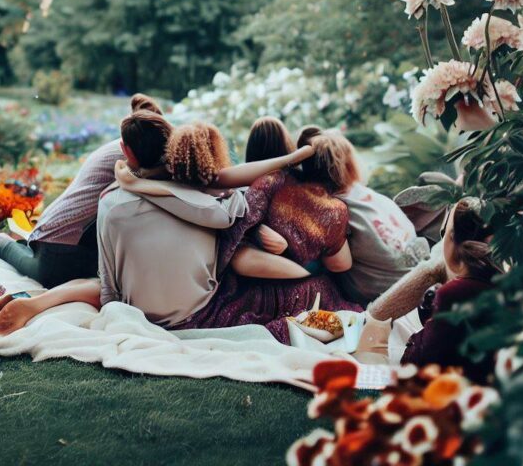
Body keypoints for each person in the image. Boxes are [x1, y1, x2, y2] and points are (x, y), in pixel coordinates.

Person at [0, 119, 314, 333]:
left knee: (101, 284)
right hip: (193, 309)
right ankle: (30, 291)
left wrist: (112, 308)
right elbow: (237, 199)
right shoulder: (211, 201)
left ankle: (33, 297)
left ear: (128, 152)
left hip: (131, 301)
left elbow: (109, 280)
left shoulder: (111, 198)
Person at [174, 130, 364, 343]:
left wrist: (260, 232)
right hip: (305, 293)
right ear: (343, 169)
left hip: (252, 291)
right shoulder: (335, 209)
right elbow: (340, 265)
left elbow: (239, 224)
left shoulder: (273, 181)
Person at [0, 94, 161, 287]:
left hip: (56, 230)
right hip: (59, 242)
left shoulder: (132, 147)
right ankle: (1, 243)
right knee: (45, 272)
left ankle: (21, 245)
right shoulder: (130, 159)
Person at [363, 198, 499, 379]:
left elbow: (419, 363)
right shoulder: (509, 284)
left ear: (452, 240)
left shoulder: (453, 294)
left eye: (445, 233)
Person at [296, 126, 430, 303]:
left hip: (392, 295)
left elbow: (336, 265)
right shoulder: (366, 194)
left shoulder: (332, 210)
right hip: (421, 277)